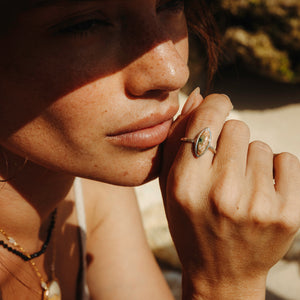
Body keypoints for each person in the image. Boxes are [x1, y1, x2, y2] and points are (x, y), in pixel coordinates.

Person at [0, 0, 299, 299]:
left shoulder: (93, 191)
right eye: (85, 24)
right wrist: (225, 282)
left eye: (170, 4)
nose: (173, 73)